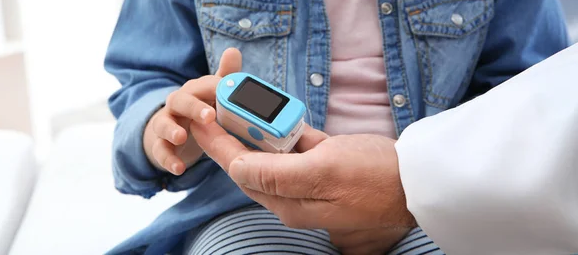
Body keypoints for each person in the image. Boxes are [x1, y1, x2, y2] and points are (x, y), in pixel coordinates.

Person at [103, 0, 569, 253]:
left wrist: (424, 185)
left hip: (436, 202)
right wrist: (166, 131)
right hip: (255, 205)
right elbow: (146, 80)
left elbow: (531, 97)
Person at [191, 43, 578, 255]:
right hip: (252, 215)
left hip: (446, 213)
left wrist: (408, 188)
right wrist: (171, 128)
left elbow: (526, 79)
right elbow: (148, 79)